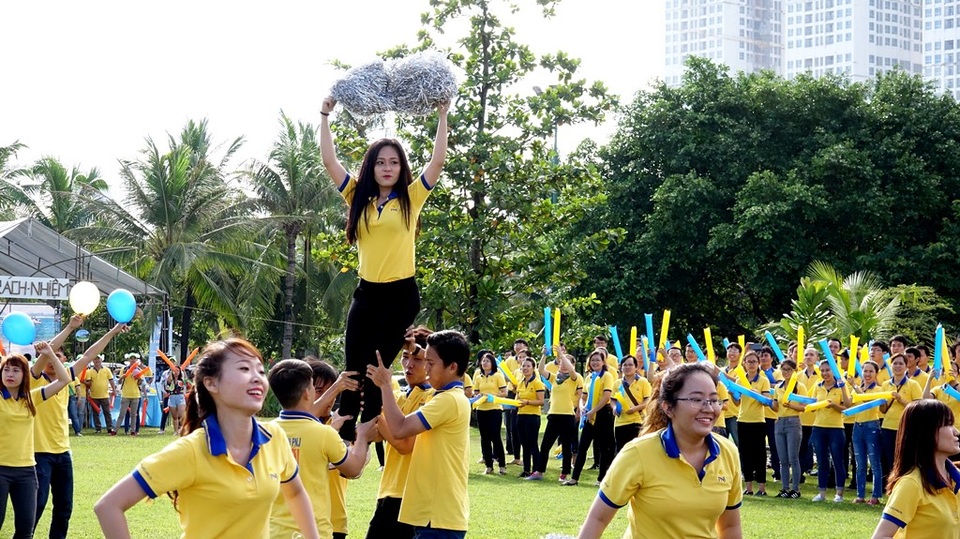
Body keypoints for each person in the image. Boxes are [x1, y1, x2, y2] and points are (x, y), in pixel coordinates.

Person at [94, 338, 320, 539]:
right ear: (211, 383)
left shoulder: (274, 438)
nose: (257, 378)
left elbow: (296, 492)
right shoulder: (191, 451)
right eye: (244, 368)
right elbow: (108, 506)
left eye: (260, 371)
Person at [320, 95, 449, 442]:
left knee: (377, 366)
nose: (387, 168)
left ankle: (369, 429)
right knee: (353, 364)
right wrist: (325, 116)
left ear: (400, 167)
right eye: (380, 163)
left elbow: (437, 162)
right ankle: (345, 429)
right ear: (371, 168)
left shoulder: (411, 197)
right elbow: (329, 161)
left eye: (393, 162)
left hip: (400, 294)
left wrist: (442, 114)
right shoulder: (357, 198)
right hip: (366, 293)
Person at [577, 363, 743, 539]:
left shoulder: (728, 452)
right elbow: (598, 519)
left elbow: (730, 526)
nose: (708, 408)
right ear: (668, 408)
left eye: (713, 399)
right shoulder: (638, 453)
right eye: (696, 399)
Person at [366, 329, 471, 539]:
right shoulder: (447, 396)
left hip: (439, 517)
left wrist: (385, 385)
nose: (426, 368)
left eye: (430, 363)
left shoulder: (447, 400)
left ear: (452, 367)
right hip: (433, 515)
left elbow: (399, 429)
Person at [31, 320, 127, 539]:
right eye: (49, 355)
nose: (53, 358)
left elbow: (89, 354)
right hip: (39, 453)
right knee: (37, 504)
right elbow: (46, 354)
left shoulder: (66, 378)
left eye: (59, 355)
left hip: (63, 453)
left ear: (63, 361)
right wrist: (70, 328)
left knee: (64, 508)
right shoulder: (34, 379)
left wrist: (112, 331)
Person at [267, 359, 372, 539]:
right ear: (308, 393)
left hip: (273, 531)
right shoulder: (324, 434)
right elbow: (354, 469)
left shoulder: (264, 432)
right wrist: (363, 436)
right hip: (315, 531)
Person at [366, 332, 434, 539]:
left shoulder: (434, 398)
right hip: (388, 490)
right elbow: (378, 435)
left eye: (417, 359)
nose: (409, 364)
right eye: (405, 357)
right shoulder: (398, 396)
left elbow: (405, 446)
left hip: (414, 496)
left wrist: (377, 416)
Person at [1, 343, 71, 539]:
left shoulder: (31, 398)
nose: (10, 374)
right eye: (6, 370)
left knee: (25, 530)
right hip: (1, 470)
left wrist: (49, 353)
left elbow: (64, 379)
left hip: (26, 472)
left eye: (16, 370)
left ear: (25, 376)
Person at [871, 399, 960, 539]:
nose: (956, 432)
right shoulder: (911, 483)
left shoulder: (956, 477)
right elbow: (880, 536)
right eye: (948, 424)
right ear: (927, 432)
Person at [566, 349, 616, 487]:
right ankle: (574, 478)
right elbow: (583, 396)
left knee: (603, 447)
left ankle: (601, 479)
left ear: (603, 362)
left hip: (602, 414)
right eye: (593, 360)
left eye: (598, 360)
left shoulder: (607, 376)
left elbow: (607, 397)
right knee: (583, 447)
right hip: (589, 415)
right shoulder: (589, 377)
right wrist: (582, 407)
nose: (595, 362)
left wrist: (593, 411)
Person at [535, 352, 582, 482]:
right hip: (553, 415)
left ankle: (565, 473)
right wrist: (544, 355)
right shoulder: (555, 378)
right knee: (545, 446)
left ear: (572, 365)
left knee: (566, 446)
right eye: (561, 363)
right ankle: (539, 471)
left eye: (567, 363)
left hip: (567, 415)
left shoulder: (575, 378)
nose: (564, 366)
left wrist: (561, 354)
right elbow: (541, 370)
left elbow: (572, 371)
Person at [810, 359, 851, 502]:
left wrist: (834, 405)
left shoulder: (841, 386)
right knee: (822, 461)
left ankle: (839, 493)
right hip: (819, 427)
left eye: (827, 370)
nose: (825, 373)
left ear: (833, 371)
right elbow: (812, 404)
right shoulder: (818, 386)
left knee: (837, 460)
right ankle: (821, 493)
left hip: (836, 428)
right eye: (822, 370)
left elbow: (847, 407)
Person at [880, 354, 922, 487]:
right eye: (895, 364)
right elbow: (883, 410)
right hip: (887, 426)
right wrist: (881, 402)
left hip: (905, 427)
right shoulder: (886, 384)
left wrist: (901, 399)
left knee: (904, 458)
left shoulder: (913, 384)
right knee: (888, 458)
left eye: (900, 364)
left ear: (906, 366)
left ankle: (903, 485)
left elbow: (917, 408)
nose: (897, 366)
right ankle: (890, 485)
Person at [737, 350, 771, 496]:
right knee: (745, 454)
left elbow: (766, 401)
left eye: (754, 362)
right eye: (748, 361)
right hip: (742, 420)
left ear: (758, 364)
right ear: (744, 363)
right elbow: (737, 402)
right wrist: (734, 393)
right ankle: (748, 487)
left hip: (758, 421)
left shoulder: (763, 380)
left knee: (759, 454)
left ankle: (762, 488)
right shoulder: (740, 380)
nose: (751, 364)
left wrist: (753, 392)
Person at [771, 358, 806, 498]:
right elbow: (775, 406)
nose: (786, 372)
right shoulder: (778, 387)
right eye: (783, 369)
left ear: (794, 371)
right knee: (783, 459)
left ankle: (795, 489)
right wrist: (769, 402)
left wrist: (791, 405)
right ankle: (785, 488)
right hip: (780, 421)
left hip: (793, 421)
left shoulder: (800, 386)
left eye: (789, 370)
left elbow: (804, 407)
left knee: (793, 457)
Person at [852, 360, 885, 505]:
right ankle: (860, 495)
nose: (867, 374)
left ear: (876, 374)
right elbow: (849, 404)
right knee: (860, 463)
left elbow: (867, 401)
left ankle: (875, 496)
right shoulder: (858, 388)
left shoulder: (879, 389)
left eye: (871, 371)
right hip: (857, 426)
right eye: (865, 371)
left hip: (872, 426)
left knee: (875, 463)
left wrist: (854, 386)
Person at [473, 350, 507, 476]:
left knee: (495, 437)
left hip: (495, 409)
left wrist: (492, 395)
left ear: (492, 363)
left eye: (487, 361)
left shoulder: (498, 375)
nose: (485, 363)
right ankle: (489, 465)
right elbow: (475, 392)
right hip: (481, 410)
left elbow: (504, 392)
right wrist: (478, 395)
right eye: (483, 361)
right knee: (484, 438)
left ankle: (502, 465)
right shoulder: (478, 377)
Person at [514, 357, 545, 480]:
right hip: (521, 415)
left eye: (528, 366)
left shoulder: (537, 383)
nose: (525, 368)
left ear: (533, 368)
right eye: (523, 366)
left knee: (532, 443)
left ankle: (536, 470)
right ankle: (526, 470)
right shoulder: (520, 382)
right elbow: (518, 398)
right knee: (524, 444)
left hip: (533, 416)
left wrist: (527, 402)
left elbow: (541, 401)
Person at [613, 355, 651, 454]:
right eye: (625, 365)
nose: (627, 367)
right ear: (621, 367)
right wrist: (614, 408)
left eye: (630, 365)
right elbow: (613, 399)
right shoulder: (617, 383)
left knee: (638, 451)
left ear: (636, 367)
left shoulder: (643, 381)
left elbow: (648, 400)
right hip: (621, 422)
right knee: (621, 452)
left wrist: (635, 408)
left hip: (637, 421)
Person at [84, 355, 117, 435]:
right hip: (94, 395)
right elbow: (88, 384)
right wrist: (87, 392)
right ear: (93, 361)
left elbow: (111, 381)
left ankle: (109, 428)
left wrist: (114, 390)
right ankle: (98, 428)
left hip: (105, 395)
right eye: (95, 359)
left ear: (101, 360)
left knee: (107, 412)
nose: (96, 361)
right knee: (95, 413)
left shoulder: (107, 370)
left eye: (98, 359)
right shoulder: (89, 371)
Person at [164, 366, 188, 435]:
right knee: (174, 416)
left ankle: (183, 429)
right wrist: (171, 374)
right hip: (172, 397)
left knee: (181, 415)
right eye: (175, 371)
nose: (176, 372)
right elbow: (167, 385)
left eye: (177, 371)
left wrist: (183, 372)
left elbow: (186, 382)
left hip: (180, 396)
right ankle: (176, 431)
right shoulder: (170, 379)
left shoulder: (182, 380)